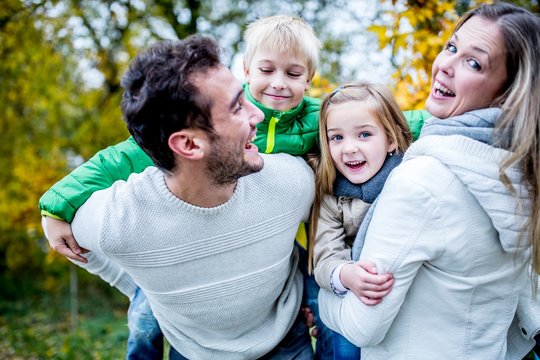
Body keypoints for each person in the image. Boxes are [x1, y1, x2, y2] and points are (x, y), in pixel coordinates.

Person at [41, 15, 328, 359]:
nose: (258, 115)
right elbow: (85, 230)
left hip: (286, 339)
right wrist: (54, 210)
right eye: (237, 107)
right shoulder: (121, 216)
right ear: (188, 146)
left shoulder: (292, 179)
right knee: (143, 321)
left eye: (293, 74)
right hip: (192, 351)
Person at [318, 2, 540, 358]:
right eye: (451, 47)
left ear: (506, 92)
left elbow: (364, 325)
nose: (444, 66)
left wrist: (320, 300)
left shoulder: (423, 181)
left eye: (474, 62)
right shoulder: (518, 173)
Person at [309, 82, 413, 359]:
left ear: (391, 139)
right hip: (356, 295)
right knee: (345, 350)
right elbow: (324, 256)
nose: (349, 148)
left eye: (364, 134)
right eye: (337, 138)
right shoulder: (330, 194)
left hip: (409, 294)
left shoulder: (411, 179)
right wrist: (345, 274)